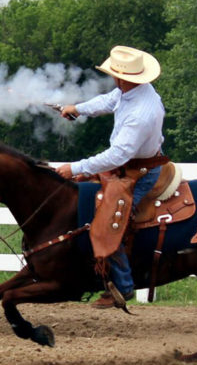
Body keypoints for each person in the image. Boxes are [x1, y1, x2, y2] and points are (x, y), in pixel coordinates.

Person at [55, 45, 166, 309]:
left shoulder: (141, 113)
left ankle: (125, 285)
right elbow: (108, 100)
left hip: (139, 172)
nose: (113, 79)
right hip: (129, 164)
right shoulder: (132, 90)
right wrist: (78, 108)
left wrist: (76, 167)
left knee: (108, 217)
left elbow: (117, 155)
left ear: (122, 77)